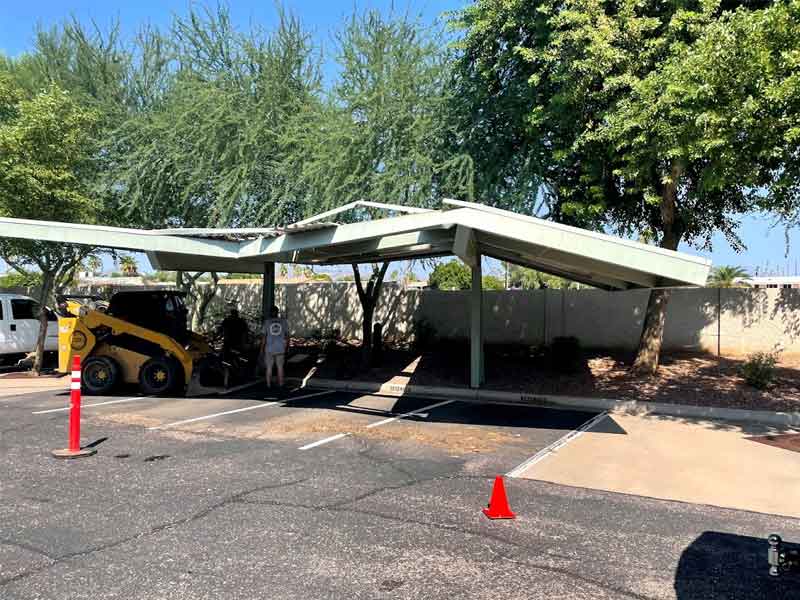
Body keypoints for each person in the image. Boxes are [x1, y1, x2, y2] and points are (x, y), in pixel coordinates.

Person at [261, 305, 289, 388]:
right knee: (280, 367)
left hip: (269, 348)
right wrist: (287, 347)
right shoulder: (284, 322)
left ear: (270, 313)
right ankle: (281, 383)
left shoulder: (267, 322)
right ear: (277, 312)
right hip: (280, 348)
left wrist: (262, 349)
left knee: (269, 367)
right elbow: (287, 336)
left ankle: (268, 384)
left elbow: (264, 338)